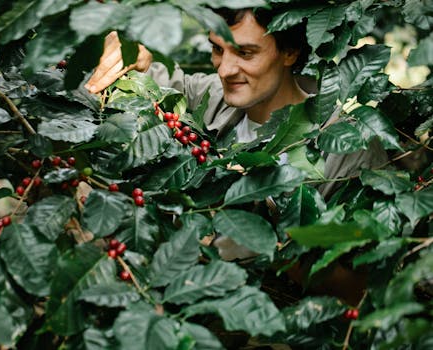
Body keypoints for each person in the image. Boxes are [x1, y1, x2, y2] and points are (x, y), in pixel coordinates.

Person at [84, 6, 387, 306]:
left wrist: (266, 239)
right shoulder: (211, 98)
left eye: (245, 53)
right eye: (218, 49)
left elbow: (361, 291)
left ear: (290, 52)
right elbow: (151, 78)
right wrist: (133, 52)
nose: (225, 69)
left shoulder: (348, 148)